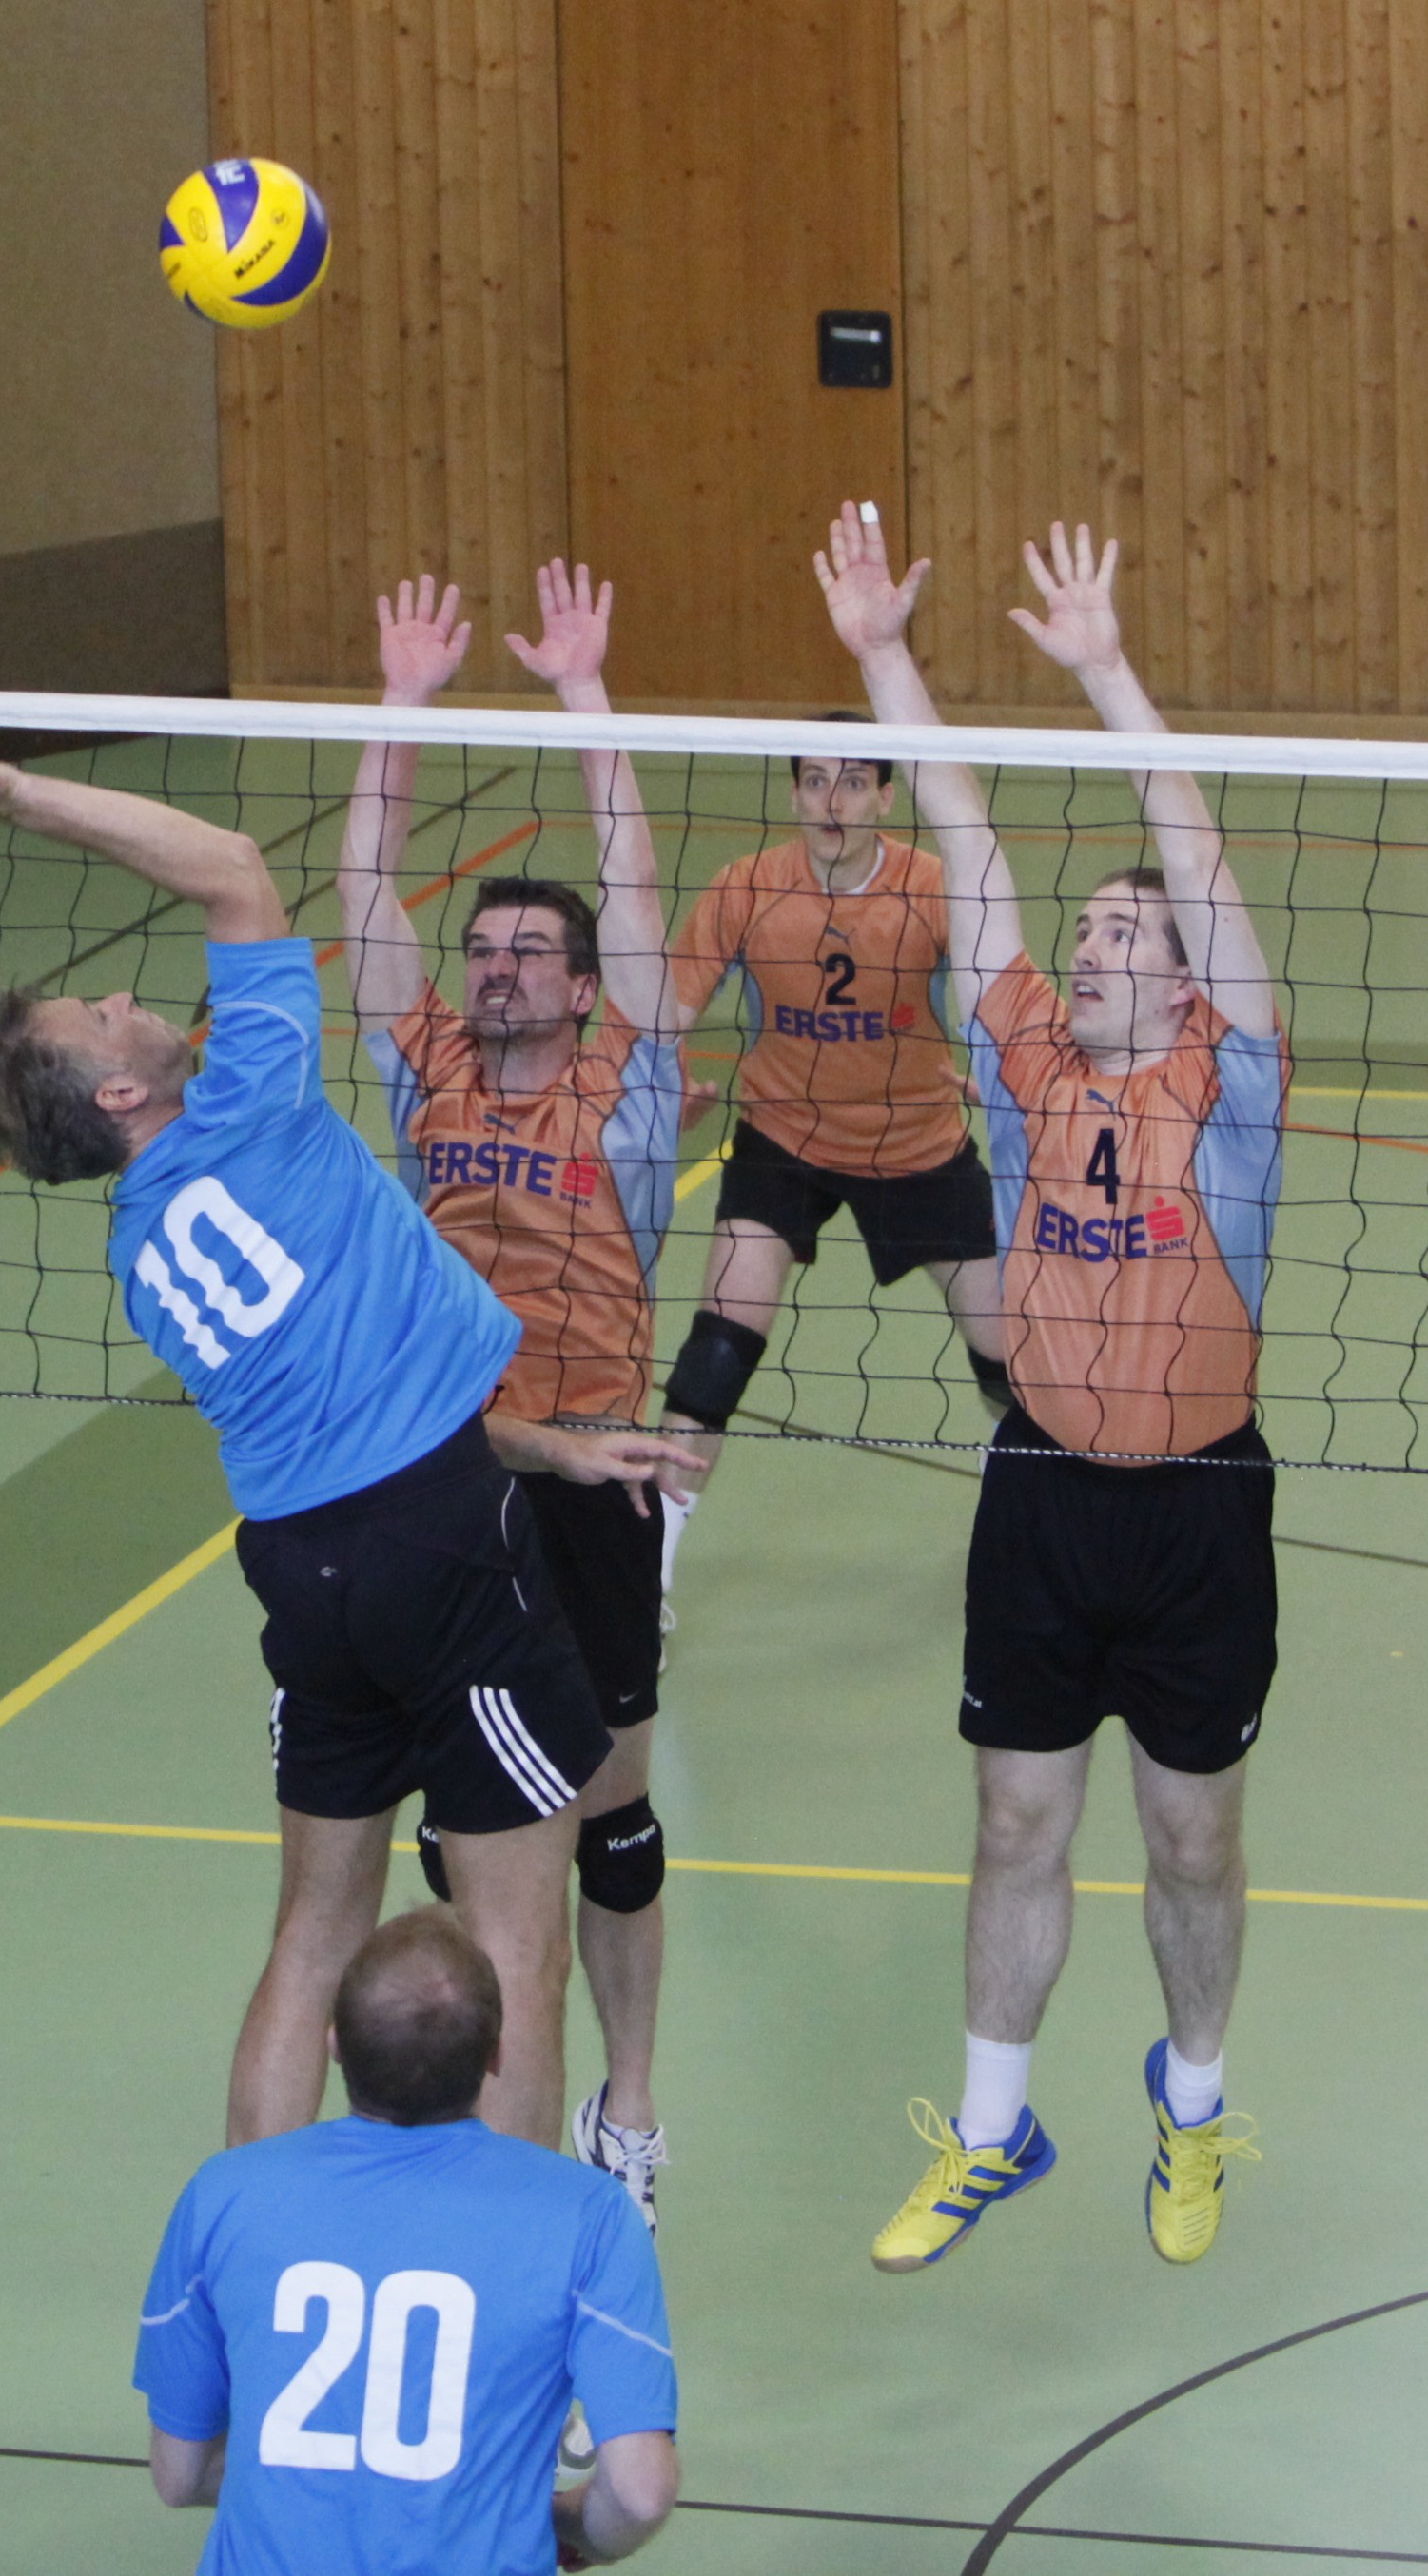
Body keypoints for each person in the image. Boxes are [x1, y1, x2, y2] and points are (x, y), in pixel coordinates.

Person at [0, 751, 687, 2156]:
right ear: (119, 1094)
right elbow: (233, 871)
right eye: (103, 1015)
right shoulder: (252, 1101)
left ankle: (250, 2212)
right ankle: (504, 2249)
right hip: (439, 1547)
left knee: (315, 1927)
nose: (128, 998)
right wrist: (19, 797)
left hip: (302, 1574)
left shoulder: (142, 1248)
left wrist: (546, 1454)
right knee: (514, 1937)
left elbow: (365, 1400)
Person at [822, 506, 1280, 2270]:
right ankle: (991, 2129)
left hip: (1198, 1510)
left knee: (1190, 1842)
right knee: (1016, 1817)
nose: (1087, 950)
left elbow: (1196, 851)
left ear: (1178, 975)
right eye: (1080, 932)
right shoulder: (1021, 1058)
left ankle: (1193, 2099)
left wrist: (1104, 674)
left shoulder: (1227, 1084)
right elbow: (965, 834)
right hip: (1039, 1491)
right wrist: (883, 654)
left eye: (1120, 937)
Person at [337, 566, 681, 2229]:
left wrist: (587, 699)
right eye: (481, 950)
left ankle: (628, 2109)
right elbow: (361, 893)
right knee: (464, 1828)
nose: (497, 971)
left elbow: (636, 880)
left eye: (532, 953)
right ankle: (478, 2123)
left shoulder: (628, 1078)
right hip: (452, 1479)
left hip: (593, 1476)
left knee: (607, 1815)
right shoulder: (427, 1068)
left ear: (583, 982)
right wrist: (399, 710)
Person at [135, 1908, 679, 2576]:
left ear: (334, 2043)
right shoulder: (590, 2217)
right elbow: (640, 2493)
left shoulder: (223, 2194)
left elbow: (179, 2474)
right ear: (496, 2055)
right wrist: (566, 2524)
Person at [657, 657, 1009, 1575]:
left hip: (918, 1142)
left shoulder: (933, 887)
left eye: (852, 782)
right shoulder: (746, 886)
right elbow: (661, 1016)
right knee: (716, 1351)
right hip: (783, 1137)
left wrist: (1004, 1079)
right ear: (793, 794)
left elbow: (1004, 1003)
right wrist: (660, 1092)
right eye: (814, 781)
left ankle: (1025, 1480)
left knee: (1010, 1363)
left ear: (886, 797)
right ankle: (647, 1562)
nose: (831, 802)